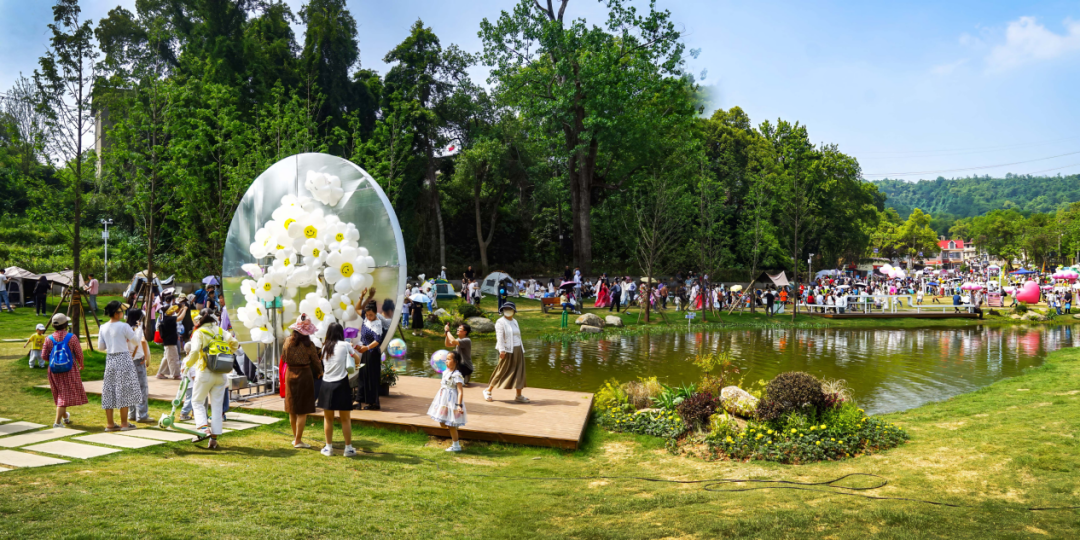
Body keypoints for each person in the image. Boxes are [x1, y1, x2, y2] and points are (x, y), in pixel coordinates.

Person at [182, 310, 240, 449]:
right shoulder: (221, 331)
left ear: (200, 320)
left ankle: (203, 428)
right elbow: (235, 344)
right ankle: (213, 439)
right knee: (217, 406)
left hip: (205, 372)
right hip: (221, 372)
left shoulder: (199, 332)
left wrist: (187, 365)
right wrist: (225, 354)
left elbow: (194, 351)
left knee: (197, 401)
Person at [97, 301, 142, 431]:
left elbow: (101, 347)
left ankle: (110, 424)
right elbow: (136, 341)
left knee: (109, 390)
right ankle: (124, 423)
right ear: (117, 313)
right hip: (123, 358)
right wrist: (139, 329)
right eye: (121, 311)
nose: (123, 313)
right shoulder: (124, 326)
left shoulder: (103, 327)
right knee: (124, 390)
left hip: (110, 359)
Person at [318, 322, 358, 457]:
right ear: (341, 333)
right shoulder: (346, 345)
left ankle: (328, 448)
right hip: (341, 384)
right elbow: (357, 360)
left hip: (326, 384)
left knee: (328, 418)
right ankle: (348, 449)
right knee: (345, 419)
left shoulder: (324, 347)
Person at [41, 313, 88, 428]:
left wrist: (54, 361)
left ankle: (65, 416)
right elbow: (79, 353)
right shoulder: (72, 337)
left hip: (54, 370)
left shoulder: (48, 338)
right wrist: (81, 364)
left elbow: (43, 355)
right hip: (69, 369)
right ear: (66, 324)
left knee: (60, 393)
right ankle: (57, 422)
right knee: (64, 395)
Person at [282, 314, 322, 448]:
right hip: (304, 375)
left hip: (290, 374)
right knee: (302, 410)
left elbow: (284, 357)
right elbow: (316, 361)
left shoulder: (287, 341)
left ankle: (295, 439)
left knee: (292, 408)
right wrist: (320, 372)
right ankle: (298, 440)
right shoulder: (309, 345)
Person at [484, 301, 528, 403]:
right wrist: (502, 350)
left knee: (519, 371)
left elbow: (518, 336)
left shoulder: (515, 321)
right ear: (502, 310)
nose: (508, 311)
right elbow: (499, 337)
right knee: (502, 370)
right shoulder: (500, 322)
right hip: (507, 350)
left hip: (518, 349)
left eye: (510, 309)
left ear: (514, 311)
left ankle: (518, 395)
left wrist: (521, 349)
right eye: (506, 309)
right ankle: (488, 390)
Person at [428, 351, 467, 452]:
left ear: (456, 361)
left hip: (452, 401)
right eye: (446, 359)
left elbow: (460, 392)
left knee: (450, 424)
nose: (446, 361)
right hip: (443, 400)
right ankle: (454, 427)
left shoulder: (457, 375)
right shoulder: (445, 372)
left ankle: (456, 445)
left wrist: (459, 405)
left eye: (449, 359)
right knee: (442, 422)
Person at [355, 301, 384, 410]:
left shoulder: (377, 323)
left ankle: (373, 403)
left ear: (375, 313)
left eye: (371, 315)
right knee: (362, 375)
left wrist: (367, 347)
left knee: (371, 377)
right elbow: (357, 308)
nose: (368, 317)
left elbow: (377, 340)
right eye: (367, 314)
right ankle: (359, 400)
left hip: (373, 353)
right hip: (365, 351)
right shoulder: (366, 318)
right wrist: (361, 297)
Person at [126, 309, 153, 424]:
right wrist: (146, 356)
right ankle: (142, 415)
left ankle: (132, 414)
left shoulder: (126, 328)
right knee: (142, 388)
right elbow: (142, 341)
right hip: (138, 360)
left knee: (131, 388)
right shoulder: (138, 328)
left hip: (128, 360)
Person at [157, 305, 182, 379]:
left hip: (168, 342)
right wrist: (184, 310)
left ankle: (160, 373)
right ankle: (176, 374)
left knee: (167, 358)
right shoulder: (169, 319)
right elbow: (180, 318)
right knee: (174, 358)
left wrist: (181, 311)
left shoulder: (166, 318)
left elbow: (177, 316)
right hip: (170, 342)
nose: (173, 310)